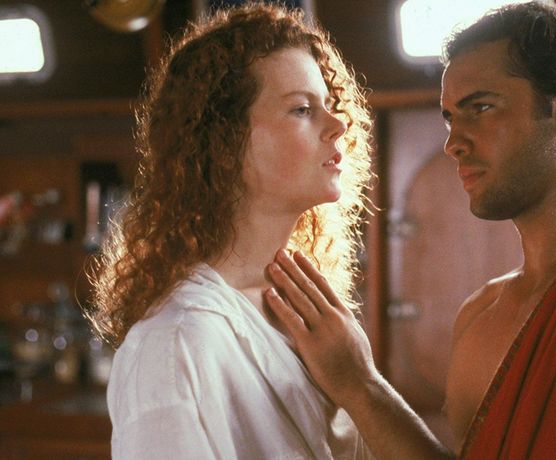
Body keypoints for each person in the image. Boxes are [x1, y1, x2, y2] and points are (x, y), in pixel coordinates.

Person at [265, 1, 556, 458]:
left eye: (481, 107)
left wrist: (361, 385)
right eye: (450, 117)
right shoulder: (481, 313)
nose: (453, 143)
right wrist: (359, 383)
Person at [86, 3, 374, 459]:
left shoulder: (308, 309)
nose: (338, 125)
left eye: (330, 105)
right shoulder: (176, 341)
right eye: (302, 109)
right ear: (223, 142)